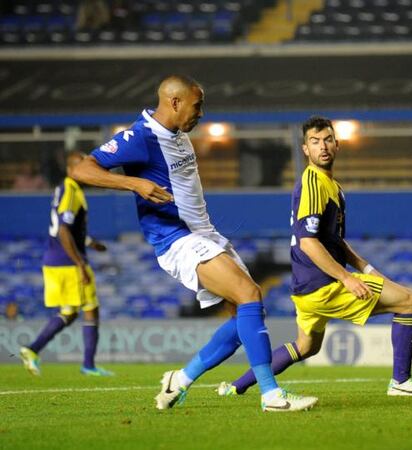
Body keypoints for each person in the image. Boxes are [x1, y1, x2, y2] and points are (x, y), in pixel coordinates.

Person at [70, 75, 317, 412]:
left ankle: (180, 379)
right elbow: (83, 170)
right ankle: (271, 395)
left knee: (242, 317)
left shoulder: (180, 136)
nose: (201, 112)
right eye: (197, 105)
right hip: (177, 239)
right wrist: (134, 184)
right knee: (249, 294)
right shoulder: (140, 136)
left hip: (205, 234)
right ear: (175, 102)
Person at [216, 116, 412, 397]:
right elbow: (309, 243)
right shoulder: (313, 182)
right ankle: (401, 382)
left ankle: (236, 386)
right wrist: (346, 278)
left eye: (327, 140)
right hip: (323, 285)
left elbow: (335, 241)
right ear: (305, 149)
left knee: (305, 347)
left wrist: (368, 269)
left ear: (337, 145)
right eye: (314, 141)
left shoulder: (332, 187)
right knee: (409, 302)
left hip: (307, 288)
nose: (322, 146)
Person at [18, 151, 112, 377]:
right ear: (71, 171)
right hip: (69, 263)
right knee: (91, 309)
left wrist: (89, 242)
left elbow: (65, 228)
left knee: (69, 312)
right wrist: (80, 264)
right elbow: (62, 230)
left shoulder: (64, 189)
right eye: (82, 166)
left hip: (54, 260)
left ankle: (32, 350)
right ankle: (88, 366)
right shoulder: (71, 190)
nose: (87, 170)